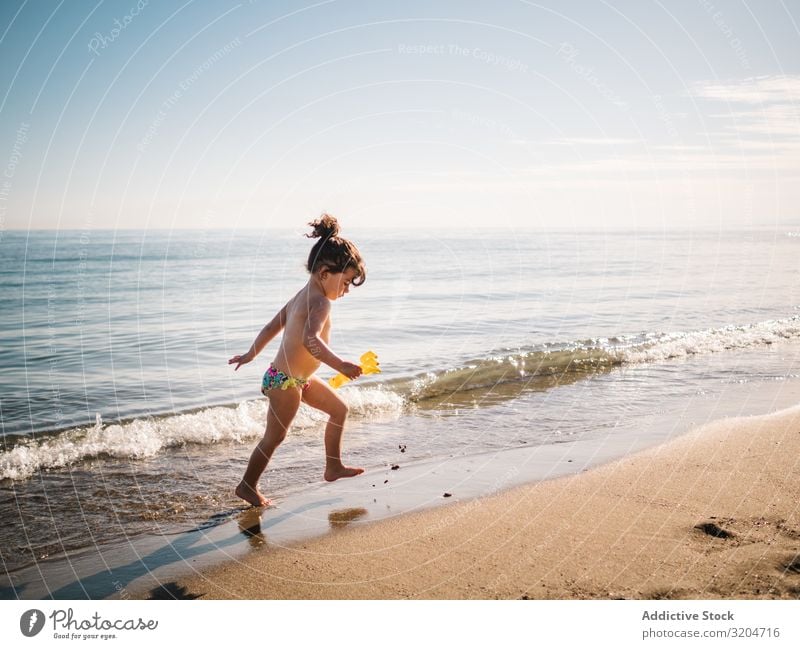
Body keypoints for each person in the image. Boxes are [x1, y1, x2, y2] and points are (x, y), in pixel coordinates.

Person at [228, 214, 367, 507]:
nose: (346, 290)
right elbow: (310, 340)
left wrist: (251, 354)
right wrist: (340, 365)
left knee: (339, 410)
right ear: (324, 273)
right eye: (345, 282)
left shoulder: (301, 296)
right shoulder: (320, 301)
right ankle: (247, 485)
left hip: (296, 379)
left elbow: (271, 327)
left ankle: (333, 466)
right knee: (275, 437)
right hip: (284, 382)